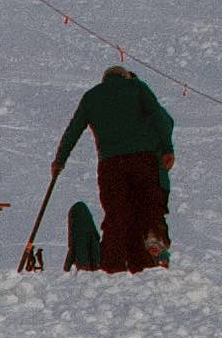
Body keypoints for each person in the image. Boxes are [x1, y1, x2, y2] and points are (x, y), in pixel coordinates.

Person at [52, 62, 175, 270]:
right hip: (143, 160)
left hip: (110, 165)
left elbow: (73, 130)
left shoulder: (92, 97)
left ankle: (113, 264)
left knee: (116, 215)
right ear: (125, 76)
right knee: (147, 208)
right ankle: (151, 252)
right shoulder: (137, 87)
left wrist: (59, 161)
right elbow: (161, 118)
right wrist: (167, 148)